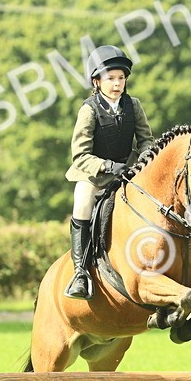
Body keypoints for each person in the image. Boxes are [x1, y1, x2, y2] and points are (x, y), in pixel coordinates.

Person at [63, 45, 154, 299]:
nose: (117, 84)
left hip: (129, 171)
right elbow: (80, 155)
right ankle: (80, 273)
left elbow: (146, 140)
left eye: (121, 78)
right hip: (94, 174)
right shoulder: (89, 110)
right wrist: (107, 166)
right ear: (97, 81)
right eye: (111, 78)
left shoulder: (133, 105)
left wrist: (145, 158)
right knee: (82, 202)